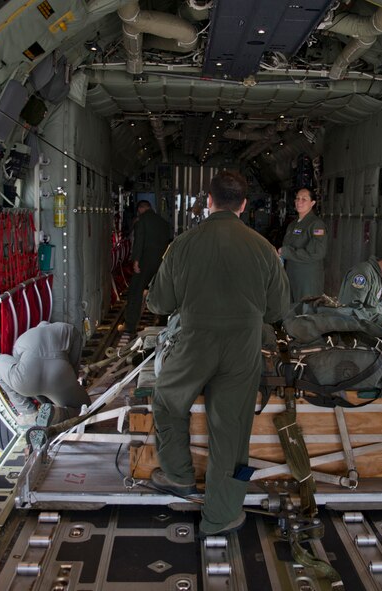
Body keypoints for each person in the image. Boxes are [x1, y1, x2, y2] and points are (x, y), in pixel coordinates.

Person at [146, 170, 290, 537]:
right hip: (243, 350)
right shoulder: (263, 249)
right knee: (231, 430)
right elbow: (277, 312)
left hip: (195, 344)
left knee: (166, 400)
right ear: (243, 205)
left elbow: (160, 302)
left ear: (208, 201)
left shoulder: (183, 244)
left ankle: (178, 476)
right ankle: (220, 515)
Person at [0, 321, 89, 426]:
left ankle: (29, 413)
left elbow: (19, 363)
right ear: (50, 324)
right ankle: (57, 414)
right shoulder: (68, 329)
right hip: (59, 374)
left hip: (26, 382)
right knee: (84, 406)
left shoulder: (23, 337)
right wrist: (69, 385)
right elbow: (74, 361)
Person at [124, 200, 172, 334]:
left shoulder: (141, 221)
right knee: (162, 292)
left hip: (144, 262)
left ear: (140, 209)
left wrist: (136, 260)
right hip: (161, 263)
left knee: (135, 292)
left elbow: (139, 241)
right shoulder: (163, 223)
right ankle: (163, 322)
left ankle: (130, 324)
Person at [279, 188, 327, 302]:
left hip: (307, 279)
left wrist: (286, 252)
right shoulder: (292, 224)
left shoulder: (316, 224)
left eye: (304, 199)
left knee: (306, 313)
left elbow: (317, 253)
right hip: (292, 276)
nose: (299, 202)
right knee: (291, 311)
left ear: (312, 203)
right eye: (297, 198)